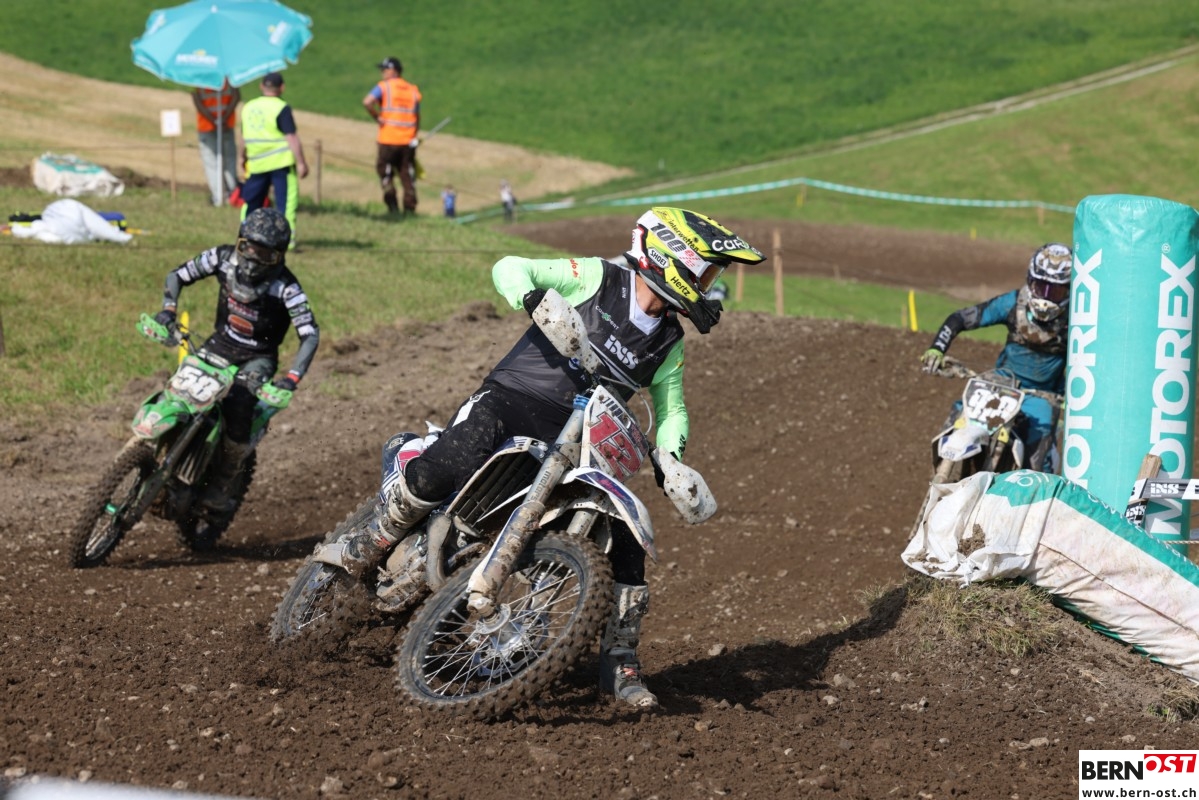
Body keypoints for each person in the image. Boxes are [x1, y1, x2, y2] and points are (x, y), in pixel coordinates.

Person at [329, 207, 765, 708]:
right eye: (706, 273)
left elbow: (672, 409)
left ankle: (619, 659)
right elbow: (511, 267)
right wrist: (533, 297)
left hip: (578, 441)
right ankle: (371, 539)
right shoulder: (600, 278)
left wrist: (671, 458)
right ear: (673, 260)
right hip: (513, 402)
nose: (709, 287)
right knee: (447, 465)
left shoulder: (669, 341)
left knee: (625, 539)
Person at [150, 207, 320, 513]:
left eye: (265, 255)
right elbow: (177, 275)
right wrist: (168, 310)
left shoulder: (288, 288)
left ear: (279, 257)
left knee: (239, 407)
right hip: (219, 344)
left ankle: (223, 482)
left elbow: (309, 333)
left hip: (257, 358)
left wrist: (291, 378)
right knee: (179, 391)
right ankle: (159, 450)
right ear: (239, 242)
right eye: (249, 248)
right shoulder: (221, 258)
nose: (253, 260)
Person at [920, 242, 1073, 471]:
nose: (1047, 297)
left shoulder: (1076, 320)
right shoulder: (1013, 304)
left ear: (1070, 290)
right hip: (1001, 383)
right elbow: (959, 318)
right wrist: (937, 349)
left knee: (1036, 462)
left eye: (1056, 291)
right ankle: (940, 473)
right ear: (1030, 280)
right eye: (1041, 287)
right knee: (960, 415)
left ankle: (1031, 488)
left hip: (1042, 395)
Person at [240, 72, 309, 246]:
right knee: (285, 204)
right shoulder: (281, 107)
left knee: (251, 202)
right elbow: (291, 137)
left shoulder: (248, 107)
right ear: (282, 88)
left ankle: (245, 237)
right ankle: (286, 241)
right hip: (281, 163)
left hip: (256, 163)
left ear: (261, 86)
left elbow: (243, 136)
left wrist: (241, 157)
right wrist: (301, 162)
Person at [363, 57, 421, 216]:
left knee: (385, 172)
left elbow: (367, 102)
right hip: (408, 141)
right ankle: (409, 209)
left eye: (385, 69)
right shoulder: (412, 90)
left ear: (394, 71)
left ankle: (392, 207)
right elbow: (417, 117)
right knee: (407, 175)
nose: (382, 73)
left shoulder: (384, 87)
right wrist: (414, 135)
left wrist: (377, 117)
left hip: (388, 139)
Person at [192, 80, 240, 206]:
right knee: (229, 161)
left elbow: (197, 100)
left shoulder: (199, 78)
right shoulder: (228, 78)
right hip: (225, 125)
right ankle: (231, 195)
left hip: (208, 126)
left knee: (212, 163)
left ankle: (219, 197)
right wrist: (224, 118)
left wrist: (214, 120)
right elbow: (236, 96)